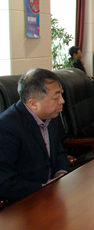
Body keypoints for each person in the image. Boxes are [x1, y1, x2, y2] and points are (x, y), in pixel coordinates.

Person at [0, 69, 71, 203]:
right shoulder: (6, 127)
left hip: (52, 195)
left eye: (61, 94)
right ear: (33, 103)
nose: (62, 101)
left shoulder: (50, 116)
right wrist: (44, 188)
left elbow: (59, 153)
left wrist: (61, 175)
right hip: (26, 202)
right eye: (56, 98)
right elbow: (5, 181)